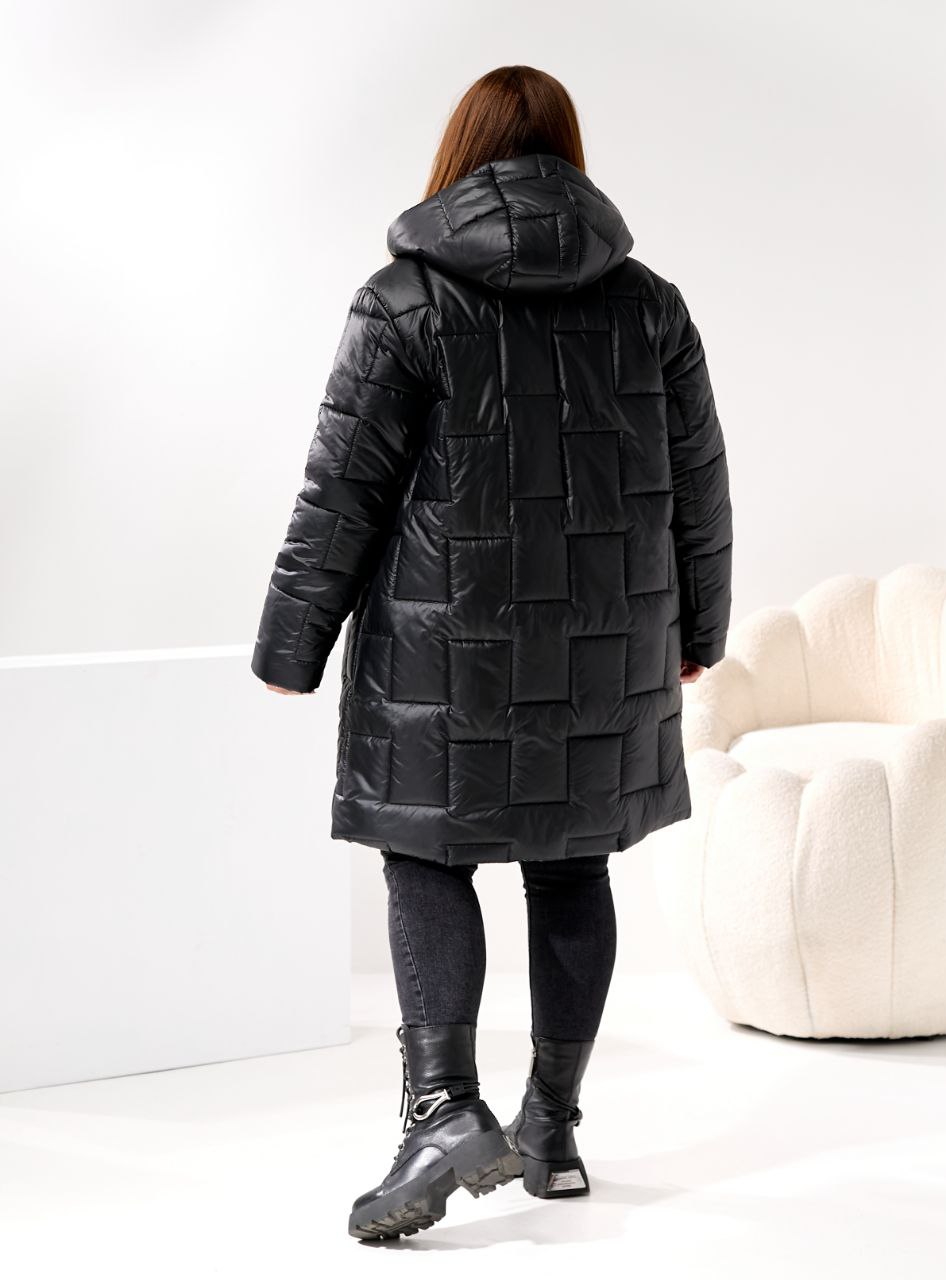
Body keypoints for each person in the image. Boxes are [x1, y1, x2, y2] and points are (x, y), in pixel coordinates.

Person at [251, 64, 733, 1241]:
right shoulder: (649, 305)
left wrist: (291, 641)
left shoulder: (404, 301)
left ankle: (443, 1110)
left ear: (460, 153)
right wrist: (699, 631)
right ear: (569, 155)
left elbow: (343, 490)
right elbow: (701, 487)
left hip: (442, 650)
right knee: (571, 867)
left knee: (428, 856)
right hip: (605, 646)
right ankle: (552, 1129)